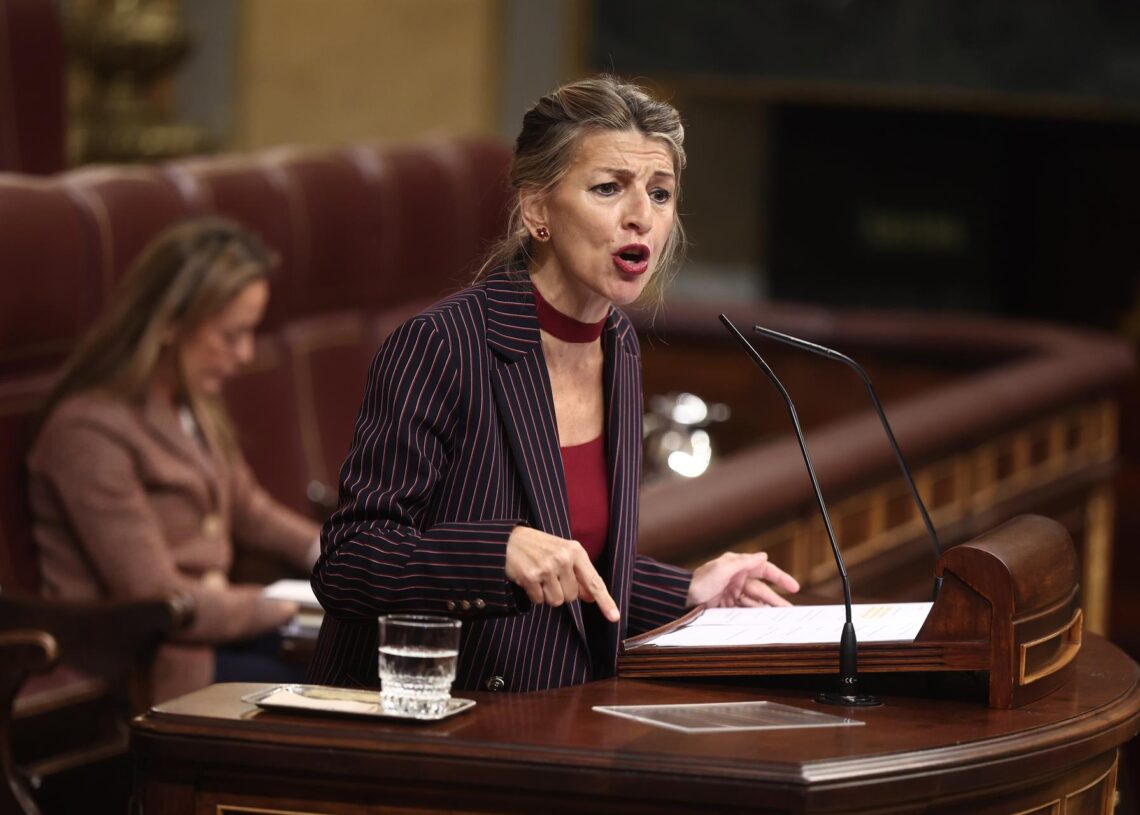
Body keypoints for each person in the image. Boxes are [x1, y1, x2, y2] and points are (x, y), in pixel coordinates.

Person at [308, 75, 799, 694]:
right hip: (434, 720)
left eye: (660, 192)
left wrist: (686, 590)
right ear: (537, 209)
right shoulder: (444, 345)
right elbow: (349, 563)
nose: (640, 217)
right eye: (607, 188)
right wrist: (496, 552)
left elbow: (572, 566)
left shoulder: (616, 344)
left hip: (559, 717)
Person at [27, 217, 320, 703]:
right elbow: (156, 594)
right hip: (153, 658)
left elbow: (248, 508)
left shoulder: (190, 403)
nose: (246, 353)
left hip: (213, 631)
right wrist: (281, 605)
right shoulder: (88, 430)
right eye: (231, 335)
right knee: (325, 691)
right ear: (168, 324)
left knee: (359, 657)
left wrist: (330, 553)